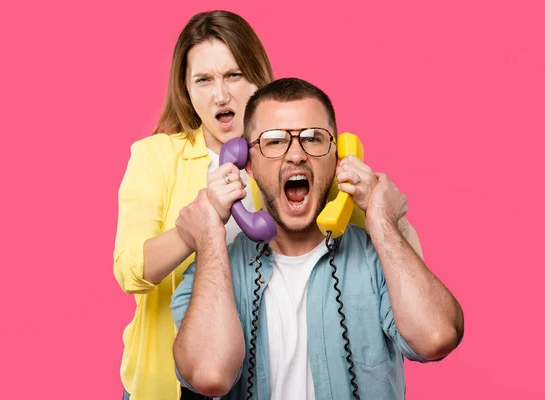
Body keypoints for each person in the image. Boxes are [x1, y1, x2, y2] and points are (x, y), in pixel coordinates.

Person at [113, 10, 426, 400]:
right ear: (186, 90)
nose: (221, 95)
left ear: (259, 76)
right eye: (203, 80)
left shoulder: (297, 152)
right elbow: (130, 272)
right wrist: (191, 230)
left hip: (259, 374)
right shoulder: (155, 156)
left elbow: (382, 245)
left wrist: (383, 207)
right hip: (172, 379)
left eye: (233, 75)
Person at [170, 78, 465, 399]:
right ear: (247, 164)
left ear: (338, 156)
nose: (296, 155)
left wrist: (381, 219)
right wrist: (211, 229)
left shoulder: (375, 256)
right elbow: (210, 374)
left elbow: (437, 336)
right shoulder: (214, 269)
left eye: (313, 138)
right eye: (274, 141)